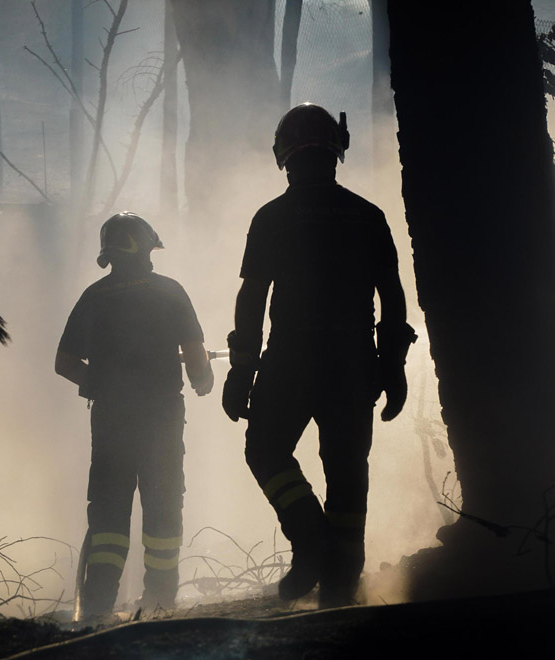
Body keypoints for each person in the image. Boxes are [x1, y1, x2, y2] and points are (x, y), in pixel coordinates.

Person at [222, 103, 416, 608]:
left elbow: (251, 298)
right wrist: (391, 365)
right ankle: (341, 578)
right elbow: (392, 297)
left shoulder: (270, 218)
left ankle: (310, 541)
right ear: (337, 150)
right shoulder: (367, 216)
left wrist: (242, 368)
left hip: (290, 358)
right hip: (353, 361)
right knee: (347, 468)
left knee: (265, 451)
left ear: (282, 156)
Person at [56, 212, 214, 619]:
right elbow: (195, 354)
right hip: (160, 418)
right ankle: (159, 604)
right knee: (162, 507)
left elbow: (64, 362)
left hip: (110, 421)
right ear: (145, 248)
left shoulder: (94, 296)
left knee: (108, 514)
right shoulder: (169, 291)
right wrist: (202, 378)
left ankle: (96, 609)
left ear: (108, 255)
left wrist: (96, 381)